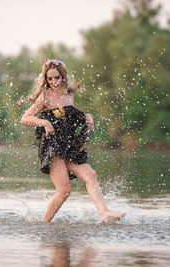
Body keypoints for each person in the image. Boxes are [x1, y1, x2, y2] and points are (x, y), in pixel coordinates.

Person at [21, 59, 126, 223]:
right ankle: (44, 224)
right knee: (64, 191)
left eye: (57, 77)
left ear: (63, 76)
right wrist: (44, 122)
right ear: (46, 80)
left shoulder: (69, 95)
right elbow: (25, 118)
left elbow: (70, 118)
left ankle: (104, 212)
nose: (54, 82)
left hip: (70, 145)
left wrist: (88, 117)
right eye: (50, 79)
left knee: (91, 175)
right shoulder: (44, 97)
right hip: (53, 147)